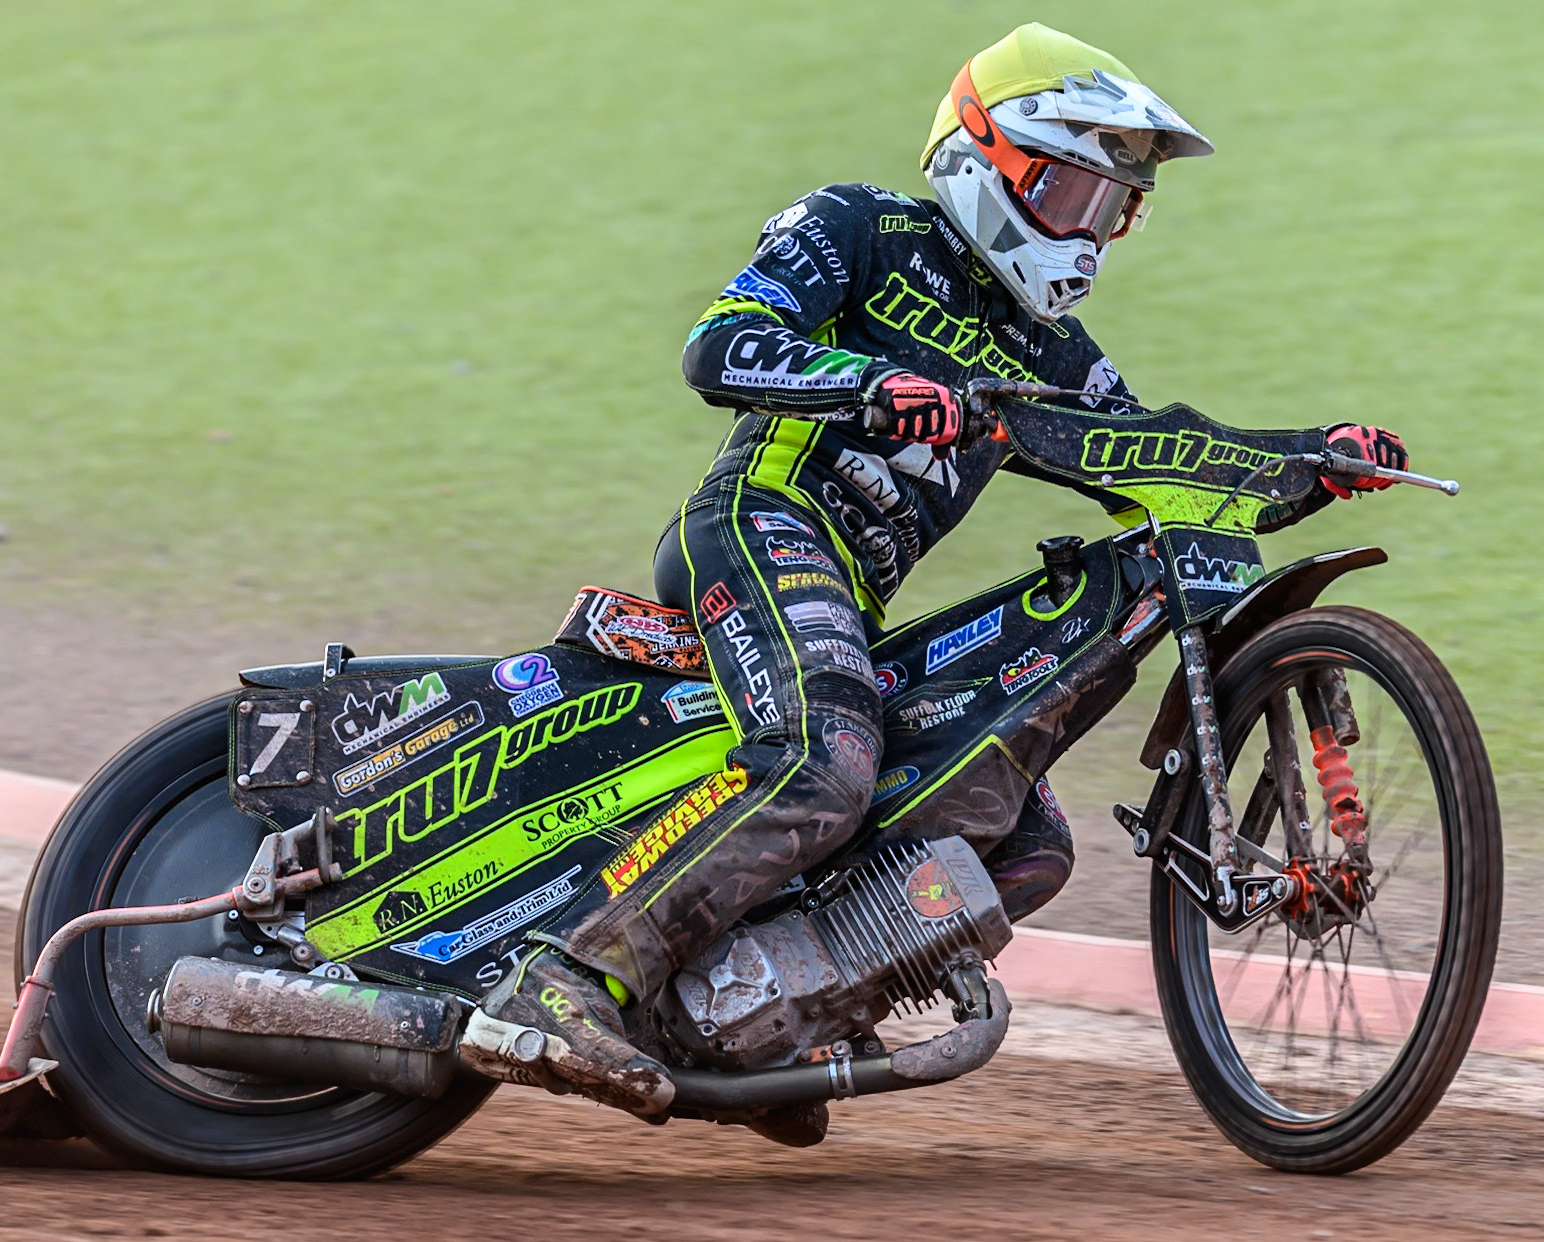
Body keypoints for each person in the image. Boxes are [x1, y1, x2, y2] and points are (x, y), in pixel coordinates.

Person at [483, 22, 1409, 1140]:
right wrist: (868, 384)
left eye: (1113, 210)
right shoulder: (859, 226)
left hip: (851, 606)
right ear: (983, 160)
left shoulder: (1052, 353)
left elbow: (1153, 456)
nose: (1088, 234)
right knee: (828, 761)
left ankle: (772, 1019)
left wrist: (1309, 459)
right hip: (759, 526)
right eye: (1070, 194)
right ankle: (567, 978)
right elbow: (718, 345)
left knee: (1027, 844)